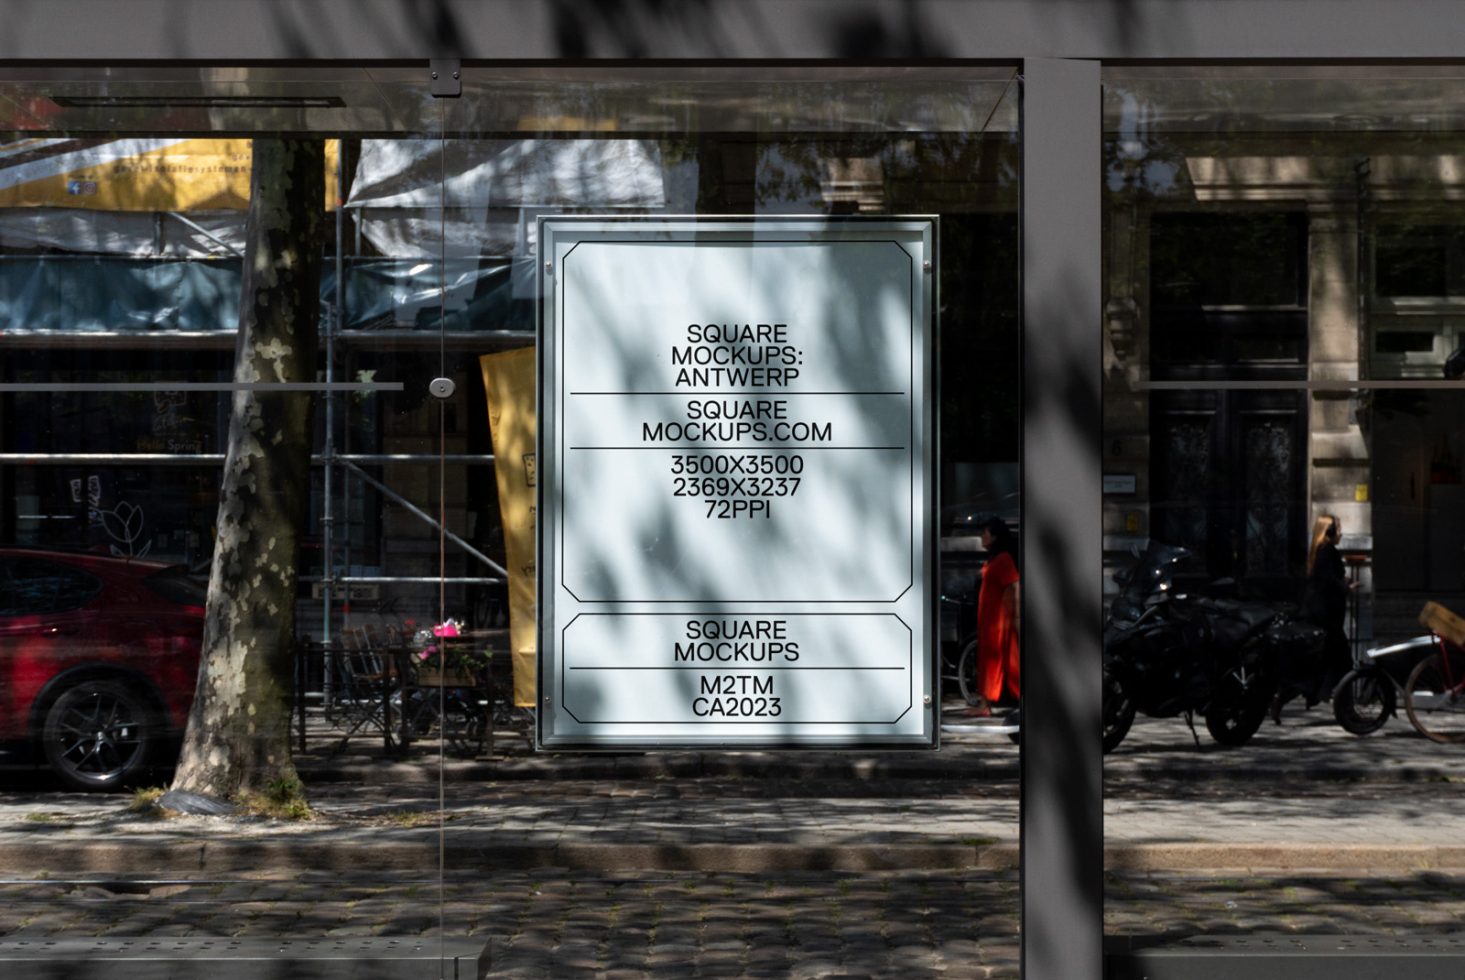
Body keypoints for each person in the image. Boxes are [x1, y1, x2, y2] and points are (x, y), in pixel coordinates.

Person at [1301, 513, 1354, 704]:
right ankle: (1346, 708)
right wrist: (1346, 587)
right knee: (1344, 661)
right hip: (1327, 616)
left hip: (1324, 615)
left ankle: (1313, 695)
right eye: (1337, 529)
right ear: (1329, 532)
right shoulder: (1327, 551)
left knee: (1327, 661)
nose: (1341, 533)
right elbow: (1329, 582)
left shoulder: (1321, 550)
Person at [972, 516, 1021, 717]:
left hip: (998, 621)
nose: (982, 536)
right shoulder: (995, 558)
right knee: (993, 661)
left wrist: (1014, 617)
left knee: (999, 662)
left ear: (995, 536)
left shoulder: (1003, 559)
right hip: (990, 620)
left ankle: (986, 703)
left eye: (985, 532)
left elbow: (1013, 586)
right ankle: (986, 703)